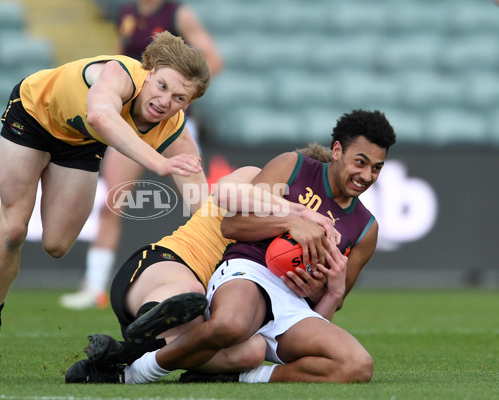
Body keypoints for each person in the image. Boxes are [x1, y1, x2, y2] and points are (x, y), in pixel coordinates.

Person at [66, 109, 397, 384]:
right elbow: (233, 225)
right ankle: (137, 371)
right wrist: (290, 221)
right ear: (337, 151)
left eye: (377, 168)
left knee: (357, 366)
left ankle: (247, 378)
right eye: (361, 162)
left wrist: (332, 293)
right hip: (248, 271)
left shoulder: (366, 229)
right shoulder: (293, 166)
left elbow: (326, 307)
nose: (366, 175)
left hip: (293, 305)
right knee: (229, 325)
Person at [0, 31, 212, 380]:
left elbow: (203, 208)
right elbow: (99, 115)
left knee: (56, 244)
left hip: (80, 142)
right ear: (150, 71)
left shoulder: (175, 130)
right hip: (34, 115)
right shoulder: (120, 73)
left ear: (188, 103)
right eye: (161, 86)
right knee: (14, 229)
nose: (163, 101)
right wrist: (158, 164)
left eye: (178, 97)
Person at [60, 0, 224, 310]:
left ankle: (217, 278)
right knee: (113, 201)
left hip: (173, 126)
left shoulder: (178, 14)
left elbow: (212, 59)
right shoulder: (127, 13)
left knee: (199, 207)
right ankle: (93, 286)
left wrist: (178, 94)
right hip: (135, 120)